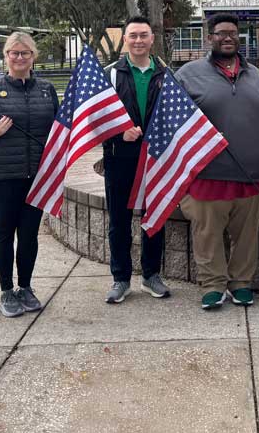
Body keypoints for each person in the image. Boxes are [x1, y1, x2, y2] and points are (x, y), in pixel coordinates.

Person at [175, 13, 259, 310]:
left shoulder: (257, 76)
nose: (227, 37)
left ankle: (241, 283)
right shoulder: (188, 75)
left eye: (233, 33)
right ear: (209, 38)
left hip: (251, 175)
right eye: (220, 33)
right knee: (207, 234)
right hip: (207, 174)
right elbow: (172, 124)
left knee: (246, 236)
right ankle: (213, 285)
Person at [0, 32, 58, 318]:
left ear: (33, 56)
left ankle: (26, 288)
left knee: (29, 234)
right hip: (1, 174)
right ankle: (7, 291)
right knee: (4, 233)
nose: (19, 58)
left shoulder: (46, 89)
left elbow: (58, 127)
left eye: (25, 53)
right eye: (13, 53)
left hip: (37, 175)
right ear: (6, 56)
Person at [101, 16, 169, 304]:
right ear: (125, 40)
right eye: (133, 35)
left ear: (152, 38)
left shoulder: (166, 73)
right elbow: (94, 118)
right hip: (120, 158)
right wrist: (119, 133)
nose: (138, 40)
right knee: (119, 221)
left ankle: (151, 275)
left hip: (155, 159)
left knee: (154, 219)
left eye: (144, 35)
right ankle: (121, 279)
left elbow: (176, 116)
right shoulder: (110, 74)